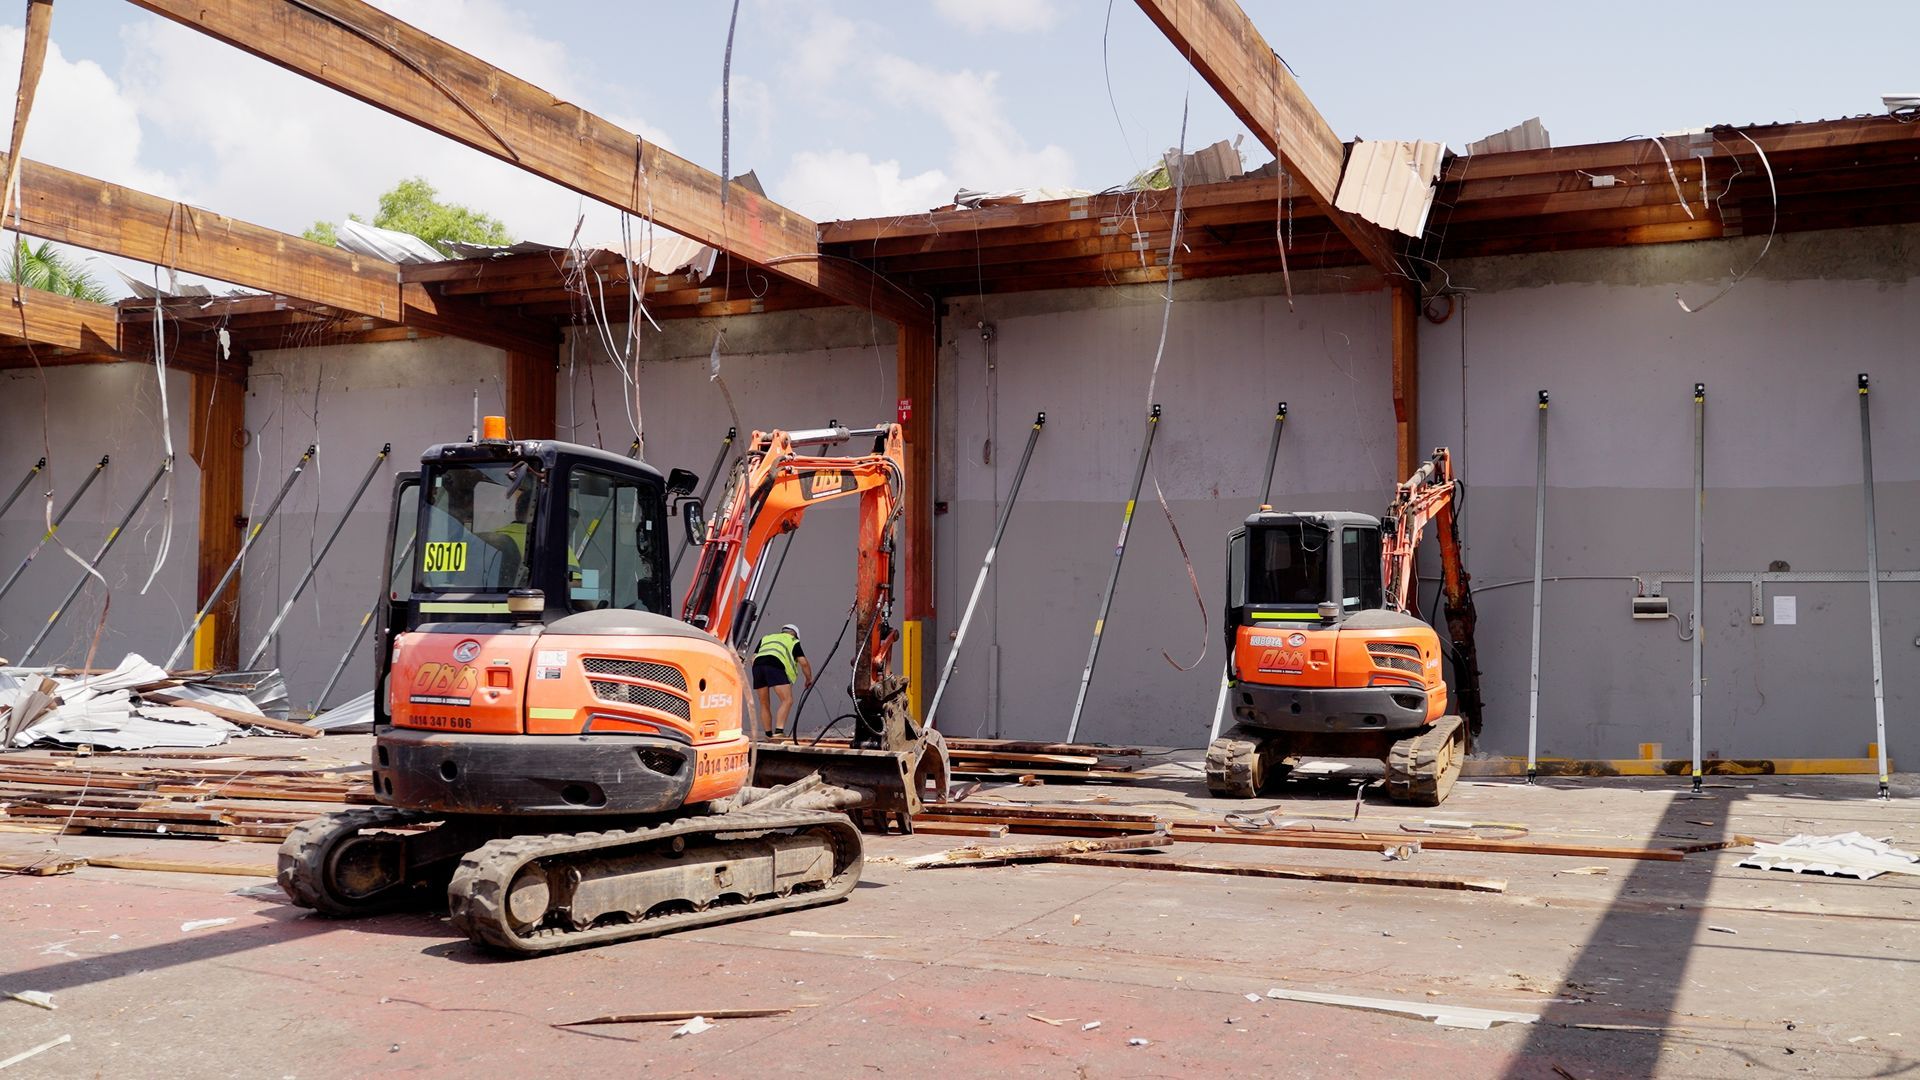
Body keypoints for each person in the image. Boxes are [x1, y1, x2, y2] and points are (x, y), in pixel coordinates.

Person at [751, 623, 813, 740]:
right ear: (795, 635)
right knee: (787, 700)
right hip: (775, 665)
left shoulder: (766, 638)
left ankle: (768, 734)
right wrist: (809, 679)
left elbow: (753, 658)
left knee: (764, 703)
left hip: (758, 666)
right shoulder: (793, 641)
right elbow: (803, 662)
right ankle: (779, 732)